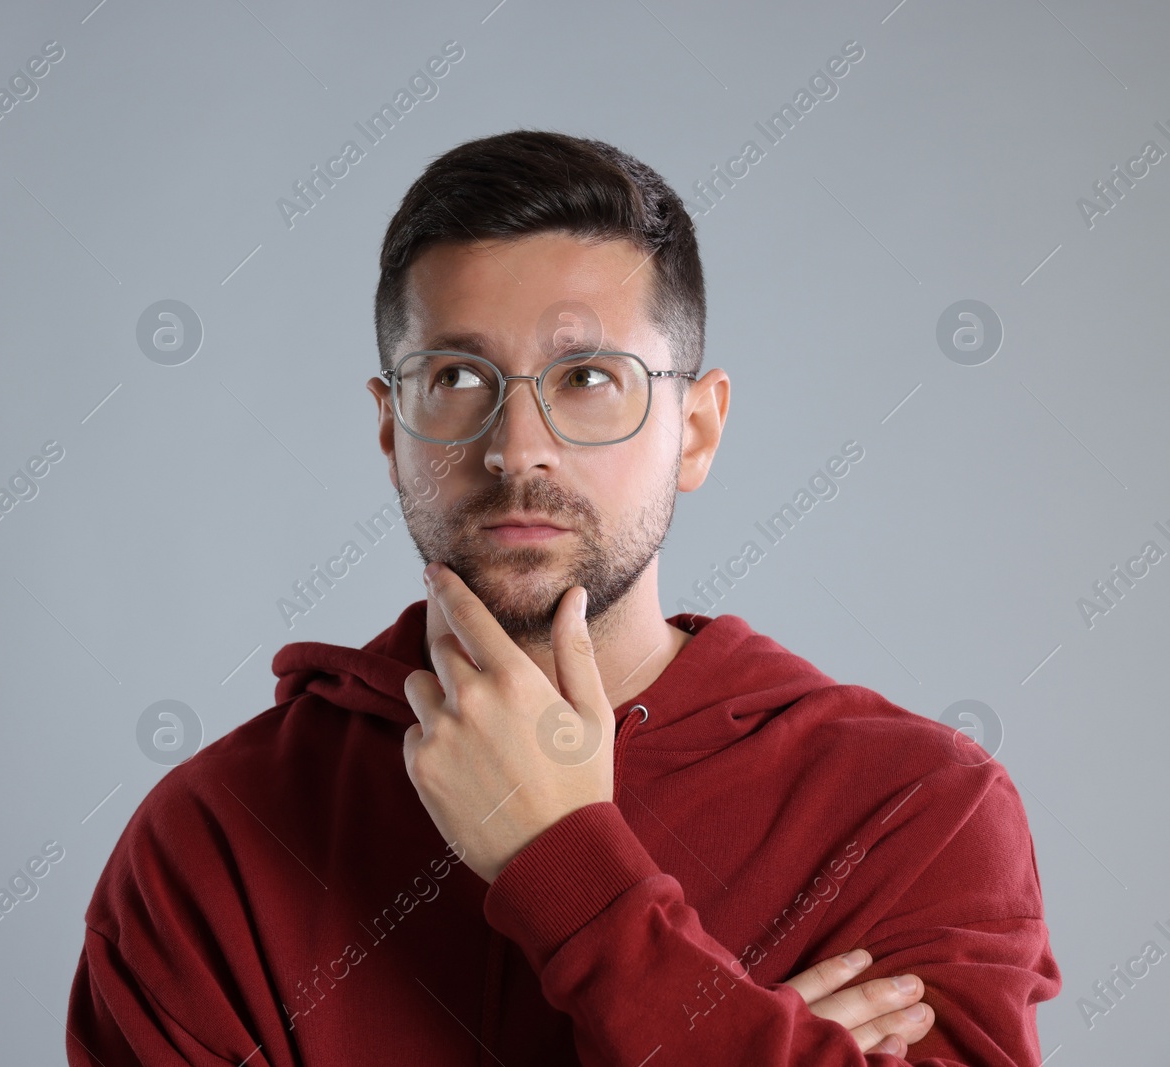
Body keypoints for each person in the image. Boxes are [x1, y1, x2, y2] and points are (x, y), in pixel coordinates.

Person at [65, 129, 1060, 1065]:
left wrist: (562, 862)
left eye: (587, 375)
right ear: (390, 429)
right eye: (457, 375)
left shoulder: (907, 809)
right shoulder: (220, 835)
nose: (517, 444)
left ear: (697, 429)